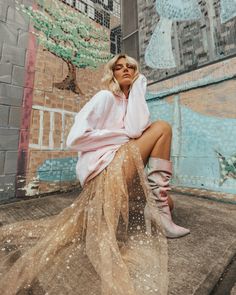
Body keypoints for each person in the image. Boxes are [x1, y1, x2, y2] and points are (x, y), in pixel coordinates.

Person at [0, 54, 189, 295]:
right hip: (106, 170)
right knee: (162, 128)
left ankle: (159, 208)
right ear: (112, 73)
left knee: (168, 203)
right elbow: (75, 138)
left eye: (130, 67)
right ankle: (159, 210)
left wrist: (138, 89)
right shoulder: (105, 97)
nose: (125, 70)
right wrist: (121, 139)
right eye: (119, 67)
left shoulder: (131, 101)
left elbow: (135, 128)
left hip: (121, 166)